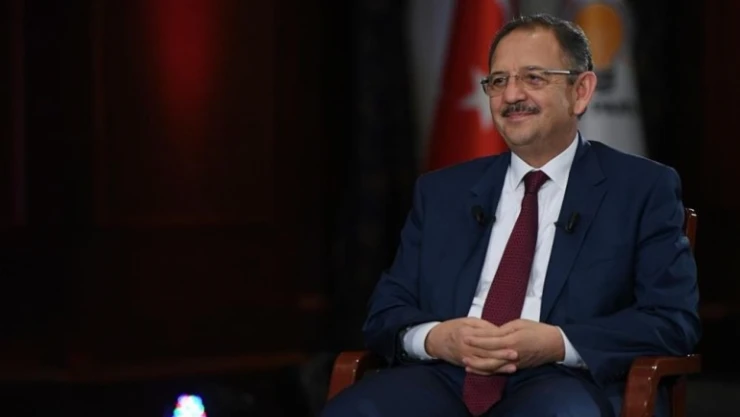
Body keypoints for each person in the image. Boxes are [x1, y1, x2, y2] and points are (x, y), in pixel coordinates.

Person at [320, 13, 700, 417]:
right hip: (444, 374)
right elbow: (385, 310)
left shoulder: (641, 189)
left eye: (533, 78)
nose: (511, 95)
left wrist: (557, 343)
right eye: (499, 81)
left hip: (567, 379)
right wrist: (436, 338)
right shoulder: (441, 192)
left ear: (581, 91)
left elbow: (672, 321)